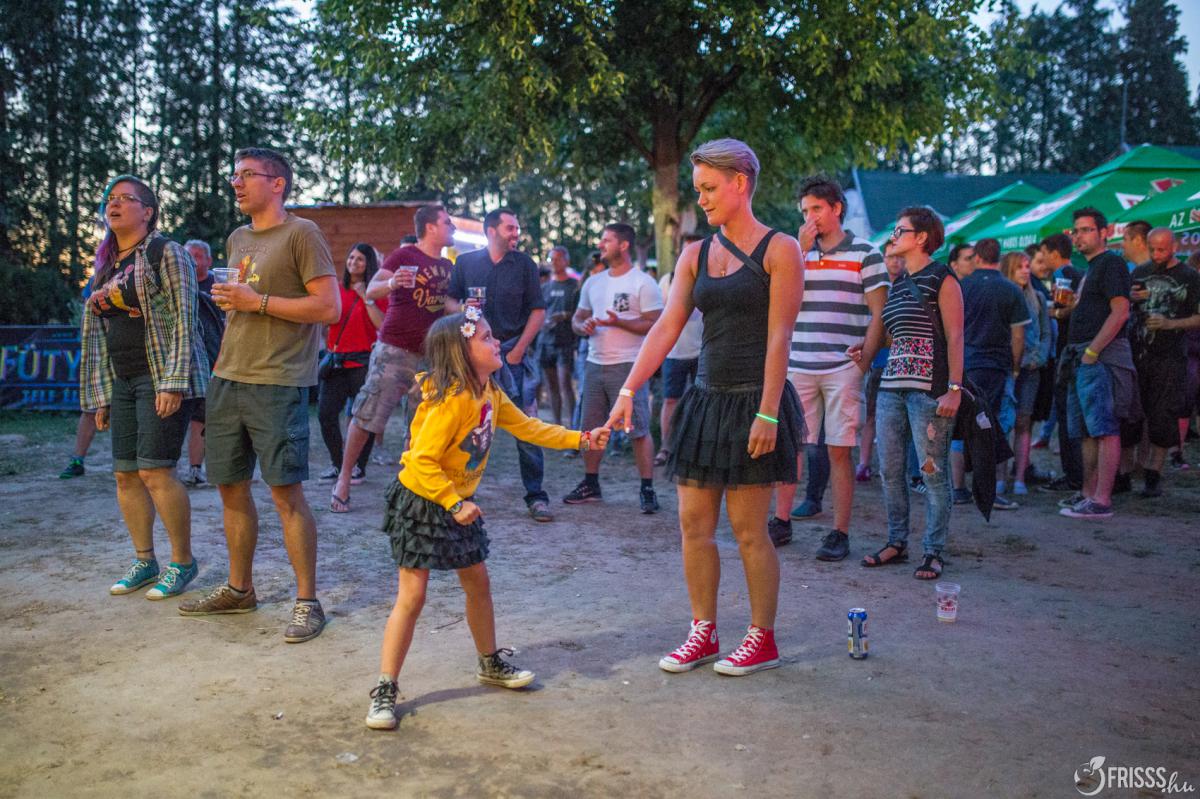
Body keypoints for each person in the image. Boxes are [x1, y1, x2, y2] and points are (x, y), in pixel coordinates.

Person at [607, 138, 804, 676]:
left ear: (741, 182)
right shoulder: (694, 255)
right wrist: (628, 390)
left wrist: (768, 412)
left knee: (748, 530)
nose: (702, 199)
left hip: (755, 402)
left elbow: (780, 337)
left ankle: (762, 638)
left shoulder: (781, 249)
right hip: (704, 400)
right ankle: (704, 632)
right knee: (693, 525)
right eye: (698, 189)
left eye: (710, 188)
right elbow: (666, 328)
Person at [364, 310, 611, 729]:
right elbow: (421, 460)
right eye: (486, 337)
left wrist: (582, 439)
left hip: (457, 502)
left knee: (478, 583)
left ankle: (489, 662)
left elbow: (529, 427)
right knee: (413, 596)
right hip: (423, 501)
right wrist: (452, 502)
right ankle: (385, 688)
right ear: (461, 352)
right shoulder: (453, 400)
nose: (497, 342)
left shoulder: (490, 392)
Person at [178, 147, 340, 643]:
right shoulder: (237, 238)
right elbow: (242, 306)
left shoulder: (302, 233)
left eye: (247, 174)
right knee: (230, 487)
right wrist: (238, 306)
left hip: (279, 380)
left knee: (285, 493)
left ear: (277, 183)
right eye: (235, 175)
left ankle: (307, 601)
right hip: (228, 377)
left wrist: (258, 301)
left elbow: (328, 307)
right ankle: (239, 589)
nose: (236, 182)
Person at [80, 175, 208, 599]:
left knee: (155, 471)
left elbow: (186, 317)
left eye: (125, 199)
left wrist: (174, 381)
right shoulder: (106, 263)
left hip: (160, 377)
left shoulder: (165, 252)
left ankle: (182, 562)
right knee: (125, 474)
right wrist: (101, 395)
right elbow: (96, 332)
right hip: (122, 379)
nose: (114, 205)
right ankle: (144, 560)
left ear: (148, 211)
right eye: (110, 199)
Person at [772, 176, 887, 559]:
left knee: (840, 449)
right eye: (805, 211)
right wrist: (799, 252)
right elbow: (777, 301)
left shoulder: (867, 253)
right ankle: (781, 520)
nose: (810, 218)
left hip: (843, 367)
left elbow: (879, 314)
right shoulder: (793, 253)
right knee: (791, 444)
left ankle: (839, 532)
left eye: (817, 209)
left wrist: (864, 361)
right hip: (798, 363)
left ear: (837, 208)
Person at [330, 205, 456, 513]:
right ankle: (344, 480)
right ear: (430, 227)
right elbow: (373, 289)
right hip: (394, 350)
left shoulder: (447, 266)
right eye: (447, 222)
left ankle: (409, 486)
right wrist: (392, 283)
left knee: (420, 424)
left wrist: (469, 309)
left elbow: (447, 305)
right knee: (368, 414)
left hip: (431, 356)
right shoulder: (404, 256)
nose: (452, 227)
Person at [860, 207, 962, 580]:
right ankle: (896, 542)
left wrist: (954, 389)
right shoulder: (900, 283)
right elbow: (898, 335)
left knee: (931, 472)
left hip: (928, 390)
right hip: (891, 387)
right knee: (890, 470)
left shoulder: (942, 278)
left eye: (900, 230)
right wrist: (864, 349)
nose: (893, 236)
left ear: (921, 237)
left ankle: (933, 551)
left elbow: (956, 336)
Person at [447, 208, 551, 521]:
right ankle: (460, 495)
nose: (516, 233)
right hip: (473, 358)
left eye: (516, 228)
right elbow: (449, 301)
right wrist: (462, 311)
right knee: (465, 425)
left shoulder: (525, 264)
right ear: (491, 231)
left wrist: (518, 350)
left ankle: (536, 496)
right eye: (510, 228)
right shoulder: (466, 263)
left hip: (511, 356)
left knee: (527, 427)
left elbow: (538, 311)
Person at [566, 223, 664, 512]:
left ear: (623, 245)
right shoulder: (593, 282)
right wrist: (582, 325)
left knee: (638, 429)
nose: (601, 245)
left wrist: (619, 322)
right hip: (594, 364)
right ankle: (590, 483)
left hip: (630, 365)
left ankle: (647, 488)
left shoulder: (643, 282)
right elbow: (577, 318)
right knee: (590, 427)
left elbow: (656, 324)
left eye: (607, 240)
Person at [1057, 207, 1135, 520]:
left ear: (1104, 233)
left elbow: (1121, 312)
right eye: (1076, 231)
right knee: (1086, 430)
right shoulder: (1091, 268)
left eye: (1087, 230)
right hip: (1081, 354)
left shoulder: (1111, 263)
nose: (1079, 236)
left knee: (1104, 428)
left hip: (1100, 355)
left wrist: (1093, 351)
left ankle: (1102, 499)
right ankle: (1089, 494)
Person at [954, 238, 1029, 509]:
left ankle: (958, 488)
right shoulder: (1011, 289)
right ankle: (993, 490)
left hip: (964, 364)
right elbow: (1018, 336)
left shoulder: (962, 287)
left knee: (960, 426)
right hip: (996, 366)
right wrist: (1016, 366)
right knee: (993, 426)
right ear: (999, 258)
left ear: (977, 258)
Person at [1127, 228, 1200, 496]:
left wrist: (1170, 323)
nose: (1156, 255)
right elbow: (1124, 306)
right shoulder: (1140, 272)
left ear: (1174, 247)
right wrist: (1132, 298)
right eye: (1152, 249)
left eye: (1162, 249)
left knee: (1162, 415)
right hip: (1138, 351)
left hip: (1170, 356)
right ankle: (1125, 472)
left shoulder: (1189, 276)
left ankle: (1153, 474)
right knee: (1131, 415)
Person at [318, 243, 386, 483]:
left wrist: (366, 297)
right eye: (351, 257)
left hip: (363, 363)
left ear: (369, 264)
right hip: (336, 363)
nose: (353, 262)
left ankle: (358, 467)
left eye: (360, 259)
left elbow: (381, 325)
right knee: (325, 415)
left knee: (364, 417)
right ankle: (338, 464)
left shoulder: (377, 292)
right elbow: (327, 320)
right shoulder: (336, 289)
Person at [1037, 233, 1085, 494]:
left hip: (1067, 351)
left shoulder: (1062, 275)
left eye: (1043, 253)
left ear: (1054, 253)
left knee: (1067, 414)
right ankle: (1078, 473)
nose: (1041, 258)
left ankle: (1073, 475)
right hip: (1075, 350)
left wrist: (1050, 311)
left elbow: (1063, 309)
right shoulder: (1079, 273)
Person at [1002, 250, 1051, 494]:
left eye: (1027, 266)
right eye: (1020, 266)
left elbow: (1046, 332)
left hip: (1030, 369)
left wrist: (1039, 357)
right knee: (1003, 422)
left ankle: (1020, 476)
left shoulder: (1037, 298)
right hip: (1006, 368)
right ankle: (1000, 477)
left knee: (1024, 421)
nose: (1025, 271)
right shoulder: (1002, 295)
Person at [655, 267, 703, 467]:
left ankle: (698, 449)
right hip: (673, 351)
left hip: (702, 350)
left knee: (702, 402)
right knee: (670, 400)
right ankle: (666, 448)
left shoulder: (708, 274)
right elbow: (661, 313)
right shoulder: (668, 280)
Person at [181, 239, 218, 487]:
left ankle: (203, 468)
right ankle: (191, 469)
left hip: (216, 360)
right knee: (188, 416)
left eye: (197, 256)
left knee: (204, 417)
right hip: (185, 361)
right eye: (188, 256)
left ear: (208, 260)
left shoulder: (219, 285)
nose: (192, 262)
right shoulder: (179, 285)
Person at [539, 246, 579, 427]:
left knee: (565, 384)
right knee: (551, 386)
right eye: (551, 259)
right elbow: (539, 313)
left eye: (558, 258)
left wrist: (564, 315)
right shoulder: (545, 287)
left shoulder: (574, 286)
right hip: (546, 341)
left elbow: (581, 312)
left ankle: (573, 426)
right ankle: (556, 427)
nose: (554, 262)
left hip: (565, 342)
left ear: (566, 261)